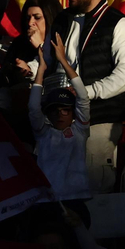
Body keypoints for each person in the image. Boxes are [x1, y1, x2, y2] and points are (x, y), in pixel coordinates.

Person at [51, 0, 125, 192]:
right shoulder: (63, 19)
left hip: (99, 122)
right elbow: (52, 63)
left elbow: (124, 76)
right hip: (60, 122)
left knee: (91, 194)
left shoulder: (119, 24)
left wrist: (85, 92)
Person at [26, 53, 92, 205]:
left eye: (65, 110)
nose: (60, 114)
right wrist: (41, 70)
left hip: (77, 198)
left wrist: (63, 60)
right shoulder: (43, 133)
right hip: (48, 201)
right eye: (55, 110)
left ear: (73, 113)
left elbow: (83, 98)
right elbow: (34, 107)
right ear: (48, 113)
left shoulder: (80, 131)